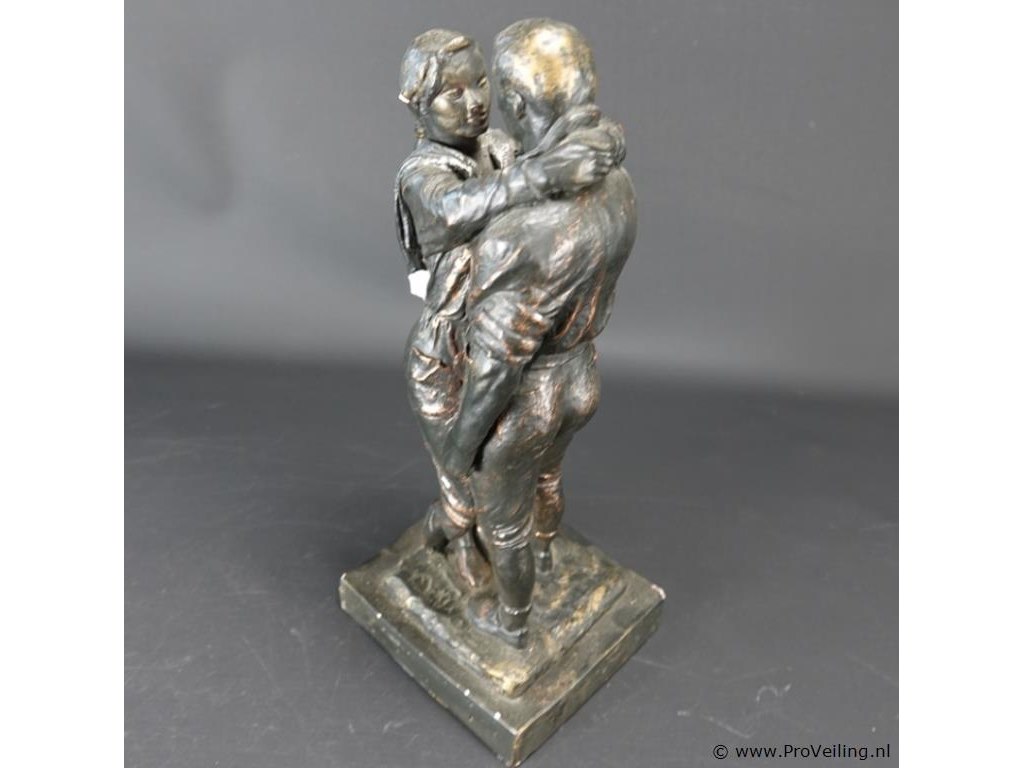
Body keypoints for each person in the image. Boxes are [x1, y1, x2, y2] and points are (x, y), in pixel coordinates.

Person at [394, 29, 624, 587]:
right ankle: (446, 544)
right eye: (452, 94)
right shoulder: (423, 177)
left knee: (508, 476)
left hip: (499, 347)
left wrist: (605, 141)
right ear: (417, 107)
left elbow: (572, 146)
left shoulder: (498, 147)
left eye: (479, 83)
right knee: (463, 489)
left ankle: (501, 550)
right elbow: (455, 210)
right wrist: (540, 175)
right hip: (447, 354)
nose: (475, 102)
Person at [437, 19, 638, 647]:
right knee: (548, 478)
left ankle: (513, 622)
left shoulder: (517, 236)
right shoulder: (620, 185)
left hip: (531, 400)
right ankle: (547, 555)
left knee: (504, 524)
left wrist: (458, 449)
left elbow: (496, 368)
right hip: (582, 377)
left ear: (519, 104)